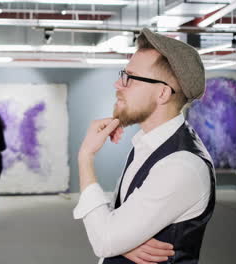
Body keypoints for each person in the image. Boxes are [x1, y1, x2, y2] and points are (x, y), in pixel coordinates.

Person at [74, 28, 216, 264]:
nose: (117, 83)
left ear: (162, 93)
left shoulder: (181, 166)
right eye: (123, 74)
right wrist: (123, 242)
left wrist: (85, 156)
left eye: (130, 77)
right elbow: (115, 226)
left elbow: (105, 240)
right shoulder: (146, 143)